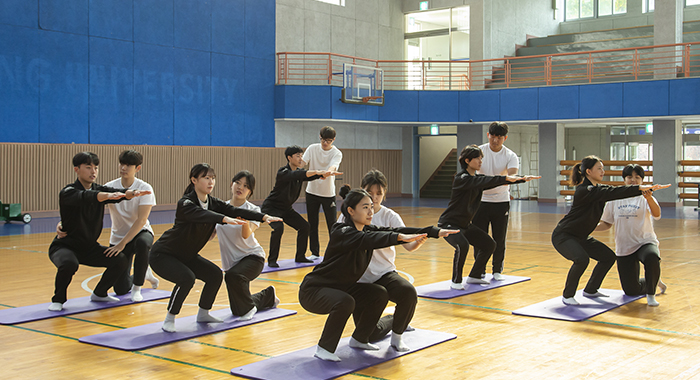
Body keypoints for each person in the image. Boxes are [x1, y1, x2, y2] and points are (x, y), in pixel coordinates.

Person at [299, 188, 458, 362]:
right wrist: (399, 237)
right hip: (314, 290)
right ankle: (324, 348)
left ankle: (360, 339)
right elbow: (373, 239)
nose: (370, 211)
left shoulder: (366, 230)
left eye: (371, 207)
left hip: (343, 288)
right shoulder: (341, 231)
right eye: (365, 207)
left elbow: (390, 230)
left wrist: (434, 232)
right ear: (351, 211)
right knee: (345, 302)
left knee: (378, 293)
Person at [149, 164, 282, 332]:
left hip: (187, 255)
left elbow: (234, 210)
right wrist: (225, 219)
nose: (211, 181)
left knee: (214, 275)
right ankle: (170, 318)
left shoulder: (213, 202)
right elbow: (202, 215)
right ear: (194, 180)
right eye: (206, 178)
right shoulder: (186, 202)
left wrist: (264, 217)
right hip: (164, 254)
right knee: (187, 278)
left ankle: (203, 313)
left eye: (213, 178)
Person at [551, 156, 670, 306]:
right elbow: (611, 193)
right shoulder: (585, 190)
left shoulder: (597, 189)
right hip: (564, 236)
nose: (603, 171)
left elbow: (608, 193)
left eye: (602, 168)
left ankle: (591, 289)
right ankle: (568, 295)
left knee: (607, 257)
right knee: (581, 259)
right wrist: (639, 188)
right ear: (588, 171)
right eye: (599, 168)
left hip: (580, 236)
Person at [48, 152, 151, 311]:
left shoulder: (100, 188)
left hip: (89, 247)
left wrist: (130, 194)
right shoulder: (68, 191)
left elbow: (115, 193)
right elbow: (88, 196)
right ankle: (58, 300)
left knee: (120, 259)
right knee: (69, 263)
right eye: (88, 167)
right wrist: (110, 195)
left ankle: (99, 293)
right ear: (77, 169)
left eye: (96, 167)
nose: (93, 171)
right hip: (65, 246)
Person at [336, 171, 424, 352]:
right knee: (370, 334)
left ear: (384, 194)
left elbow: (408, 246)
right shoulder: (349, 215)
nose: (374, 198)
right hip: (358, 280)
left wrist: (418, 241)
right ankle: (395, 319)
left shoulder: (390, 216)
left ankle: (397, 337)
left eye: (379, 193)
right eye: (370, 192)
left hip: (384, 274)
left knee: (408, 293)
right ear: (363, 191)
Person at [438, 145, 538, 290]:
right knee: (462, 245)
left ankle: (475, 275)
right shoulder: (462, 178)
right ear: (467, 160)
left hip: (465, 225)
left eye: (481, 158)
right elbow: (487, 181)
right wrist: (505, 178)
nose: (480, 161)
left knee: (489, 245)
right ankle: (456, 281)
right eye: (477, 158)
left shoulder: (476, 179)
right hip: (449, 224)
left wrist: (521, 179)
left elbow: (493, 181)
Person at [596, 164, 668, 306]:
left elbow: (657, 214)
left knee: (652, 257)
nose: (633, 180)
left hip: (645, 242)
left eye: (637, 177)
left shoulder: (645, 197)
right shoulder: (614, 198)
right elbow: (606, 223)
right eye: (630, 177)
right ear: (624, 179)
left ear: (642, 180)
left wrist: (649, 199)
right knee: (631, 290)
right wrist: (589, 228)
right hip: (624, 247)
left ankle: (651, 294)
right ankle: (653, 279)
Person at [215, 171, 280, 321]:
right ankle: (268, 296)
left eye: (245, 186)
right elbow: (211, 232)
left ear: (250, 192)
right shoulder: (220, 208)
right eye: (237, 183)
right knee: (237, 309)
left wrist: (244, 221)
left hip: (252, 258)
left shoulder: (254, 210)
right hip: (232, 263)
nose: (240, 188)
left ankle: (250, 308)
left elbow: (246, 234)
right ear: (231, 184)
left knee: (233, 277)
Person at [261, 146, 340, 267]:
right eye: (298, 156)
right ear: (289, 158)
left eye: (301, 156)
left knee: (304, 227)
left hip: (286, 209)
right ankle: (272, 260)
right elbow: (298, 174)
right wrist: (318, 172)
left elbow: (306, 176)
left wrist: (324, 174)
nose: (301, 158)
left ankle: (300, 256)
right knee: (278, 228)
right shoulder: (283, 172)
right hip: (272, 208)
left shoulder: (298, 173)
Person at [472, 122, 519, 281]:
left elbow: (511, 177)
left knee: (499, 238)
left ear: (505, 138)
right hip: (480, 201)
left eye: (499, 137)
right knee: (479, 237)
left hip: (501, 201)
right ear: (488, 135)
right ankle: (479, 270)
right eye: (493, 136)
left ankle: (497, 270)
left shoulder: (510, 156)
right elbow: (471, 174)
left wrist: (492, 181)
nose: (495, 140)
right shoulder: (479, 152)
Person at [303, 126, 343, 260]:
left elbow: (333, 165)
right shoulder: (312, 148)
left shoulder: (337, 153)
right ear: (319, 137)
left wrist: (328, 172)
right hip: (311, 192)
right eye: (323, 139)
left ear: (333, 140)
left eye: (329, 140)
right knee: (312, 224)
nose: (325, 143)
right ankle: (314, 252)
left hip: (328, 194)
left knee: (332, 224)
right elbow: (303, 162)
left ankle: (335, 252)